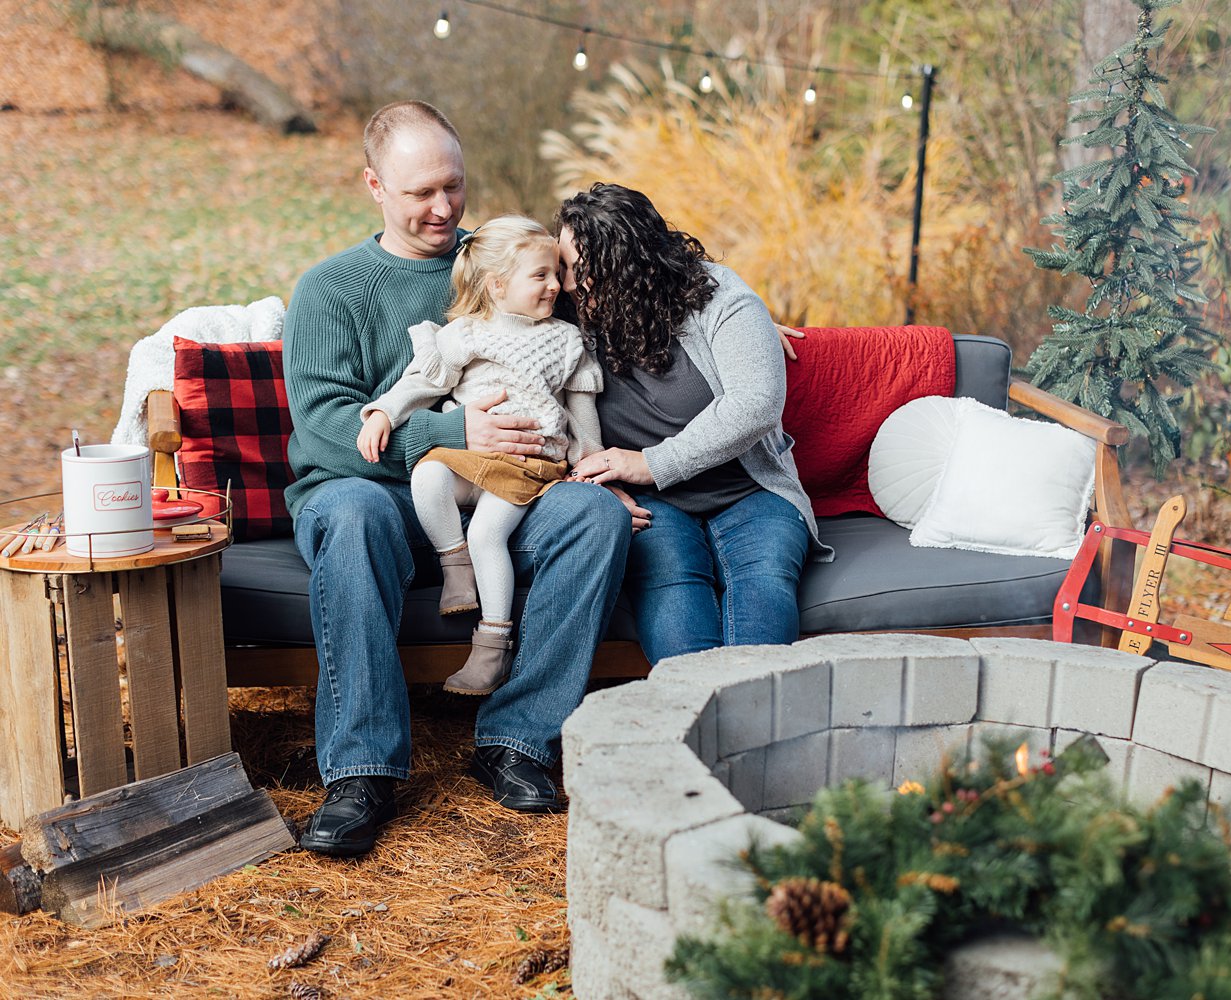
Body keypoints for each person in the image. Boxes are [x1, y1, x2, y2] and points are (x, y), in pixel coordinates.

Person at [283, 102, 637, 857]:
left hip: (505, 482)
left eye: (454, 186)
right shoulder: (330, 289)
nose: (443, 208)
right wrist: (449, 432)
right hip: (372, 494)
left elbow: (613, 301)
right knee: (350, 514)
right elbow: (321, 430)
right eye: (420, 194)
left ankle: (518, 740)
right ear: (374, 185)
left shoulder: (501, 259)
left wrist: (719, 316)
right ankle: (361, 771)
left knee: (593, 519)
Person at [558, 183, 833, 665]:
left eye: (582, 273)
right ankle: (695, 721)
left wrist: (651, 463)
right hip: (652, 505)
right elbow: (497, 255)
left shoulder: (719, 297)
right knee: (671, 586)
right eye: (564, 268)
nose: (564, 285)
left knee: (765, 581)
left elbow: (756, 403)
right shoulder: (564, 312)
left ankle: (748, 726)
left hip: (751, 492)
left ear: (633, 269)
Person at [357, 215, 603, 697]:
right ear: (496, 285)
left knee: (490, 532)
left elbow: (582, 416)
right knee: (427, 475)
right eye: (541, 275)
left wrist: (592, 466)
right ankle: (456, 566)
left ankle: (492, 645)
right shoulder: (466, 333)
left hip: (528, 463)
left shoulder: (567, 339)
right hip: (470, 456)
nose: (556, 285)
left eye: (556, 273)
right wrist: (384, 412)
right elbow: (423, 383)